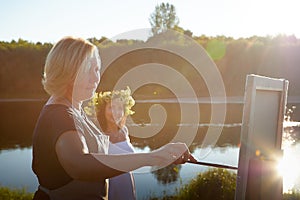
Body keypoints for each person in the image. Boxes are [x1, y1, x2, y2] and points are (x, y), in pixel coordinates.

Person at [31, 36, 197, 200]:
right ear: (66, 72)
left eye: (96, 70)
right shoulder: (59, 115)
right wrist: (152, 157)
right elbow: (79, 165)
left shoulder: (75, 111)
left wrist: (166, 154)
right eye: (86, 70)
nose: (95, 78)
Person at [90, 87, 136, 200]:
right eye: (111, 107)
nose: (116, 112)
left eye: (120, 108)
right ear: (103, 110)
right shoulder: (99, 134)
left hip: (127, 182)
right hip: (109, 186)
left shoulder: (124, 130)